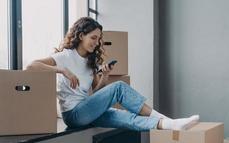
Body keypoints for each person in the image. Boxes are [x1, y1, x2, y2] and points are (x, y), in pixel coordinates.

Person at [26, 17, 199, 131]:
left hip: (86, 110)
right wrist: (62, 70)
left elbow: (93, 94)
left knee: (125, 117)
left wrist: (104, 78)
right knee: (119, 88)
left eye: (98, 39)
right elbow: (31, 66)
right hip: (73, 115)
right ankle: (162, 117)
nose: (96, 42)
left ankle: (168, 124)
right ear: (81, 36)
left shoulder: (89, 62)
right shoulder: (65, 56)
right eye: (93, 38)